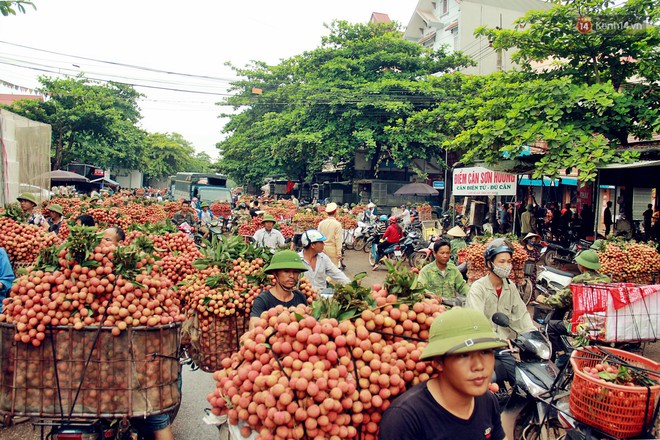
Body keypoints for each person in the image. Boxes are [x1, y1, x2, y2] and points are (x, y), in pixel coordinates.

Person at [378, 307, 507, 440]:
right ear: (439, 362)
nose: (479, 366)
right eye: (464, 355)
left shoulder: (487, 401)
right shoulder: (405, 419)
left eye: (485, 352)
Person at [466, 238, 536, 386]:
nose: (507, 266)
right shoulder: (478, 288)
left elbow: (521, 315)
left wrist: (533, 335)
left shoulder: (510, 288)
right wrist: (496, 339)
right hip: (483, 347)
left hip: (505, 347)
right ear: (489, 263)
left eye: (509, 261)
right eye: (501, 262)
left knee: (524, 380)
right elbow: (476, 322)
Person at [536, 250, 610, 359]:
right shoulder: (606, 279)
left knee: (551, 327)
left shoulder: (579, 280)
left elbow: (560, 300)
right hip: (602, 321)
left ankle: (563, 355)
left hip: (584, 323)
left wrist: (544, 299)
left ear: (582, 266)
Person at [249, 250, 309, 329]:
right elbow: (253, 329)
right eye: (286, 271)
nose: (291, 275)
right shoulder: (263, 300)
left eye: (295, 272)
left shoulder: (300, 297)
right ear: (275, 273)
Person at [317, 202, 343, 267]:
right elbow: (338, 240)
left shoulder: (321, 223)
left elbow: (318, 237)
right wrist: (339, 252)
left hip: (322, 249)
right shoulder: (337, 224)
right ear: (335, 212)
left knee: (323, 269)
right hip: (332, 250)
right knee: (332, 271)